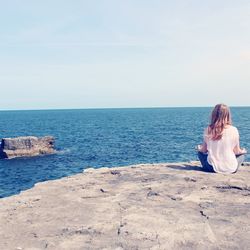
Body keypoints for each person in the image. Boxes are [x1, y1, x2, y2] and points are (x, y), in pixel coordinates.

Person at [197, 104, 247, 173]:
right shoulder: (234, 130)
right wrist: (243, 151)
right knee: (241, 156)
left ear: (214, 115)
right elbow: (236, 151)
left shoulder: (208, 129)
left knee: (200, 154)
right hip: (231, 168)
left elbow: (204, 150)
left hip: (212, 167)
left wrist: (199, 149)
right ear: (228, 115)